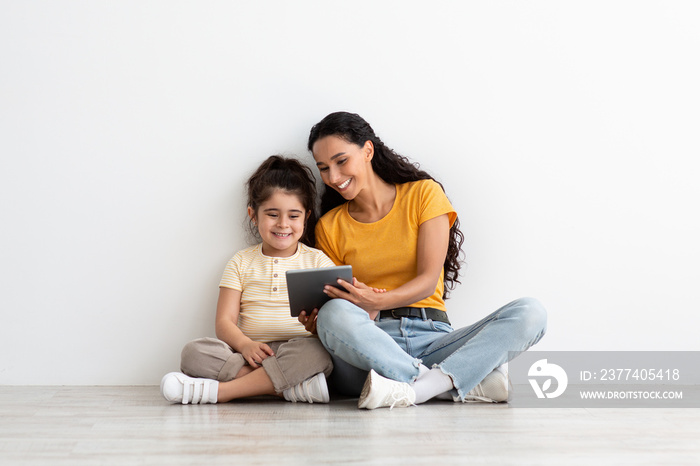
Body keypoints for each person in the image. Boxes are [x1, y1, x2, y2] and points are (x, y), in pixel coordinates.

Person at [299, 111, 547, 409]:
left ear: (367, 150)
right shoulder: (330, 226)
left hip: (433, 340)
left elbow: (428, 281)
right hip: (370, 349)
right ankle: (442, 383)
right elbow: (345, 308)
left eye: (341, 161)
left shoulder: (423, 195)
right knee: (333, 314)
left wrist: (378, 300)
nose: (333, 177)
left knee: (531, 312)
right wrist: (321, 320)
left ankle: (414, 389)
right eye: (324, 168)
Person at [160, 155, 336, 405]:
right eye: (272, 214)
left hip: (296, 351)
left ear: (306, 217)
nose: (283, 224)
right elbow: (224, 322)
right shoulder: (241, 262)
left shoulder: (318, 261)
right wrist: (244, 345)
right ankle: (287, 389)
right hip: (248, 353)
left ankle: (221, 392)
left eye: (293, 216)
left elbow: (332, 319)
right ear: (253, 215)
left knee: (319, 354)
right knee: (194, 352)